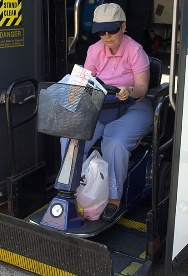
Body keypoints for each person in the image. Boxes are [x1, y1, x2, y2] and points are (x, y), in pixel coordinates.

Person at [61, 3, 153, 221]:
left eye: (111, 30)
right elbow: (87, 81)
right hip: (103, 105)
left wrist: (129, 90)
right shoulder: (94, 50)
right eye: (101, 32)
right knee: (71, 135)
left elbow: (142, 88)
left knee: (115, 142)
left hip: (134, 105)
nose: (107, 36)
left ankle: (113, 198)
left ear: (123, 26)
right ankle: (71, 188)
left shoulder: (135, 50)